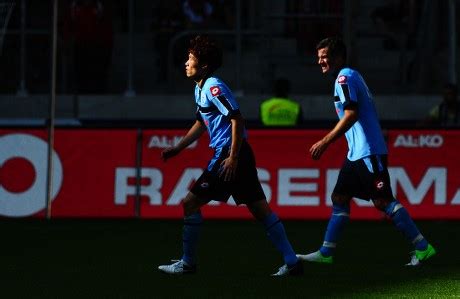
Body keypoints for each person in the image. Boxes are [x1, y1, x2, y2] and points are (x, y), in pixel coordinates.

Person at [157, 35, 303, 276]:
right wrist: (178, 148)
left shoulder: (214, 87)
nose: (186, 62)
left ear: (203, 65)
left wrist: (233, 157)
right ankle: (292, 261)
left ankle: (187, 263)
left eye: (190, 59)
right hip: (239, 154)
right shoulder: (200, 87)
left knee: (190, 204)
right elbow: (201, 122)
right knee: (260, 209)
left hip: (230, 154)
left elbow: (236, 118)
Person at [296, 37, 436, 266]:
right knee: (339, 197)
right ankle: (326, 253)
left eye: (325, 56)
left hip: (368, 151)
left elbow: (351, 114)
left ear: (339, 57)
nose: (320, 61)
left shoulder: (344, 77)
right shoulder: (351, 75)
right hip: (356, 153)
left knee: (383, 201)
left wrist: (325, 141)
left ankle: (423, 247)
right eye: (318, 56)